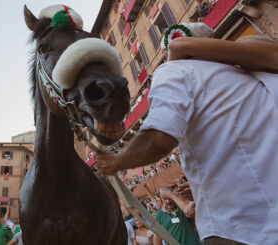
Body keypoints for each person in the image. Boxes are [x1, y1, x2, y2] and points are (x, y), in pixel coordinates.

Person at [95, 23, 278, 244]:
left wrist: (117, 160)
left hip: (240, 229)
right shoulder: (260, 80)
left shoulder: (175, 71)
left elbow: (157, 141)